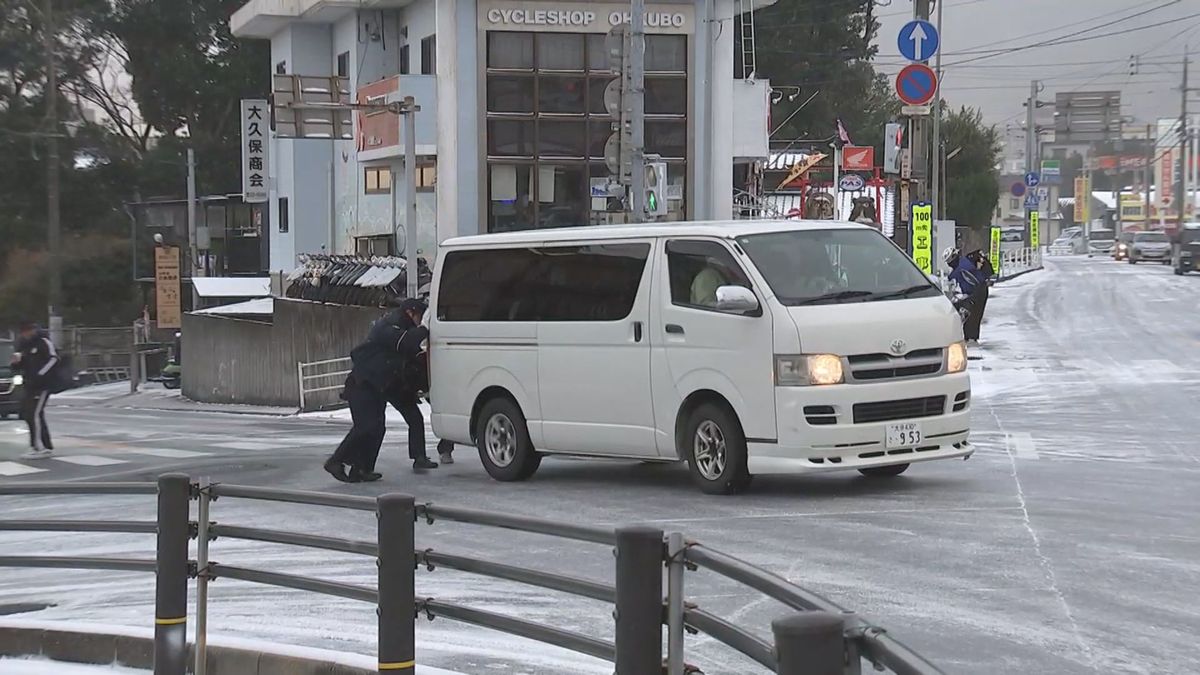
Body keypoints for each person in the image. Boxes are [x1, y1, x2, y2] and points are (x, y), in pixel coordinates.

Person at [324, 298, 437, 483]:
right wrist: (424, 328)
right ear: (411, 313)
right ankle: (336, 461)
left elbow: (411, 354)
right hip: (362, 383)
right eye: (420, 317)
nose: (420, 321)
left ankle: (362, 469)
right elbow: (405, 342)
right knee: (366, 426)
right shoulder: (389, 325)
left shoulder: (401, 326)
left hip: (380, 384)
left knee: (377, 428)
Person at [11, 322, 59, 459]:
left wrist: (40, 375)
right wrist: (16, 362)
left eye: (28, 331)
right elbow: (20, 366)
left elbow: (54, 359)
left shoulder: (43, 342)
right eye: (23, 332)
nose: (25, 334)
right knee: (28, 413)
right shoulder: (24, 346)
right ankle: (44, 445)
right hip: (29, 384)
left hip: (42, 385)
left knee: (34, 414)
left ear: (33, 330)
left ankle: (39, 447)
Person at [944, 247, 988, 346]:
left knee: (974, 313)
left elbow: (968, 283)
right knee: (972, 312)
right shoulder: (963, 262)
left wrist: (964, 295)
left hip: (979, 290)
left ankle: (971, 338)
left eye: (949, 261)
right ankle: (969, 337)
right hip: (978, 289)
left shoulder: (962, 267)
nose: (948, 264)